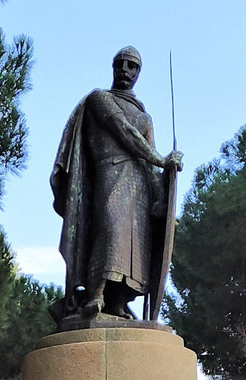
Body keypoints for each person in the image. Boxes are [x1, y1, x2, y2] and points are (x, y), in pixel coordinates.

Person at [50, 46, 182, 324]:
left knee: (137, 245)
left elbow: (148, 162)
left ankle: (118, 302)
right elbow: (123, 130)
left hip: (139, 186)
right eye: (121, 64)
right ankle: (95, 294)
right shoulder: (100, 99)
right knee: (111, 229)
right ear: (113, 67)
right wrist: (162, 159)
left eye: (132, 66)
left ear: (138, 73)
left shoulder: (145, 117)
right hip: (109, 173)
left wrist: (163, 197)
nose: (125, 70)